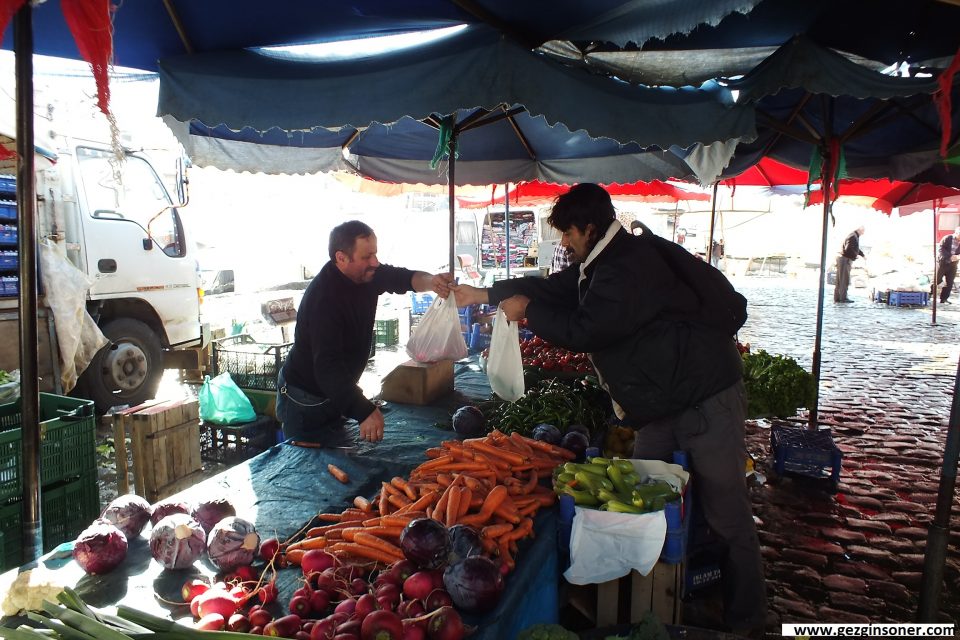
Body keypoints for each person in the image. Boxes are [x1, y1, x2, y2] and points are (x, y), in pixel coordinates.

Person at [452, 184, 766, 636]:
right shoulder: (599, 263)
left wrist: (530, 314)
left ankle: (748, 620)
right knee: (640, 496)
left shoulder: (628, 266)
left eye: (567, 234)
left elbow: (588, 329)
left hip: (703, 397)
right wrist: (484, 294)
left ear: (589, 228)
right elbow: (553, 289)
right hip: (661, 401)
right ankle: (653, 598)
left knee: (727, 512)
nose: (563, 243)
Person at [276, 220, 452, 446]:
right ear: (341, 258)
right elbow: (328, 367)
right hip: (305, 399)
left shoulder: (366, 274)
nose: (375, 262)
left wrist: (433, 282)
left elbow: (400, 278)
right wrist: (363, 410)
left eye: (375, 254)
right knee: (307, 469)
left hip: (336, 392)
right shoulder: (324, 299)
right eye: (367, 257)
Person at [834, 225, 865, 303]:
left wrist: (862, 255)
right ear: (859, 229)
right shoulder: (853, 236)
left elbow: (856, 248)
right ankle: (843, 298)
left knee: (840, 280)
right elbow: (848, 249)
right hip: (845, 260)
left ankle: (838, 298)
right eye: (863, 231)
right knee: (844, 279)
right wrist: (855, 255)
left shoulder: (853, 236)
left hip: (842, 259)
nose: (863, 233)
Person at [933, 227, 960, 304]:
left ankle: (944, 299)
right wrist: (949, 256)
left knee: (949, 282)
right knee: (936, 280)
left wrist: (957, 257)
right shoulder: (948, 238)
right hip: (942, 262)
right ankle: (930, 294)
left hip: (953, 264)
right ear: (956, 233)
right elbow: (941, 249)